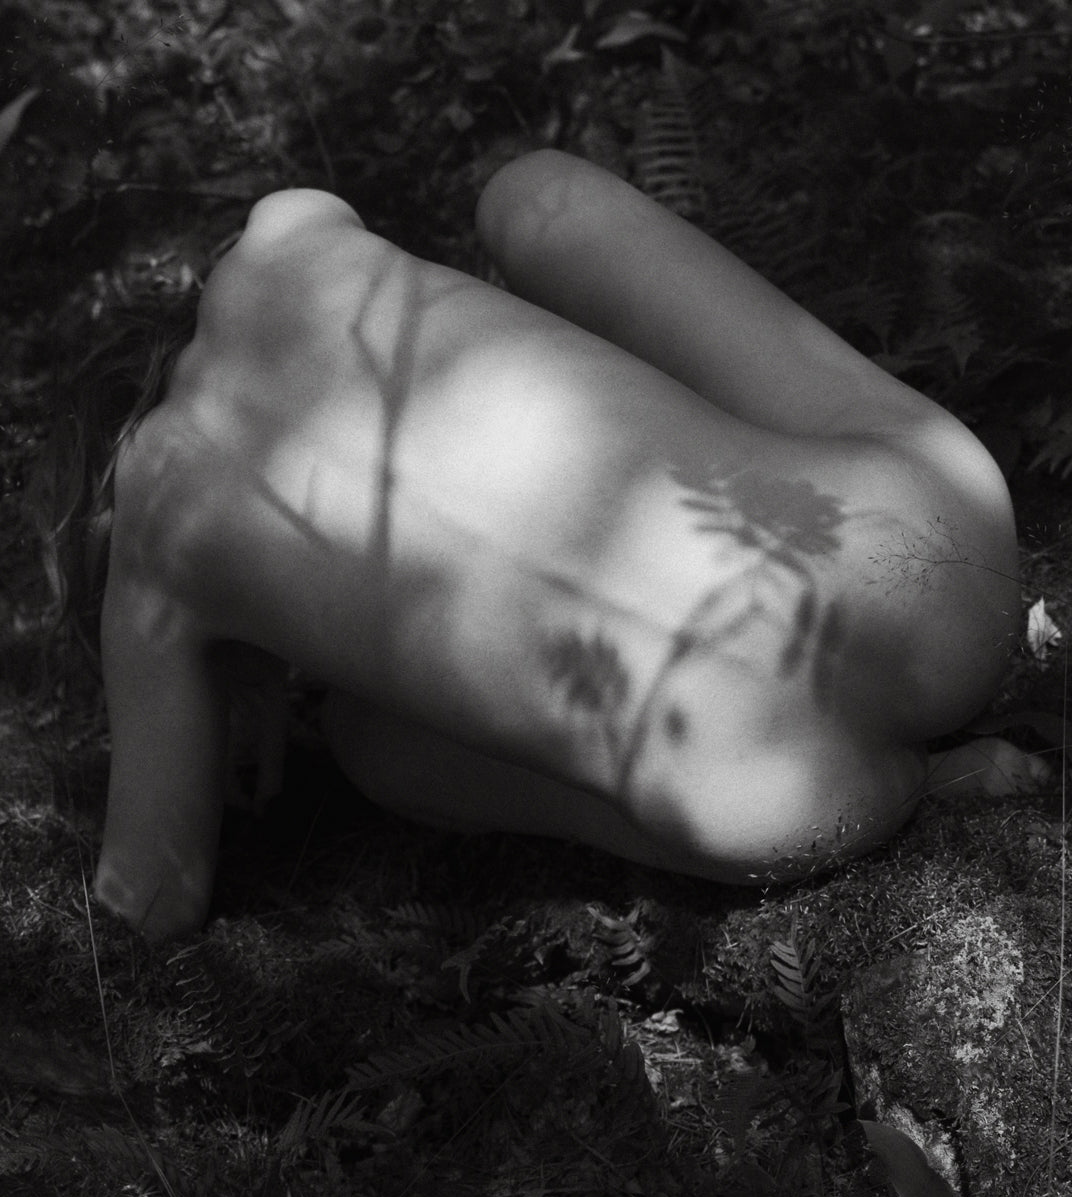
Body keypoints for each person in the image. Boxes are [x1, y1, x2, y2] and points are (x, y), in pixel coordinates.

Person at [90, 150, 1037, 941]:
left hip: (772, 796)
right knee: (534, 196)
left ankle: (928, 784)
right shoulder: (285, 233)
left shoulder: (150, 553)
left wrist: (215, 686)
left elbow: (152, 899)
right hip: (939, 545)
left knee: (363, 744)